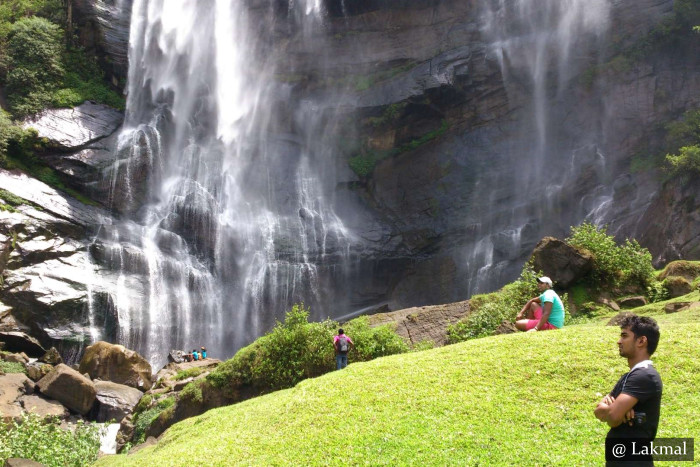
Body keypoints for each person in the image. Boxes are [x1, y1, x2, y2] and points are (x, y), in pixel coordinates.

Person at [594, 315, 662, 466]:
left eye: (624, 336)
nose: (619, 341)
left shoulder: (645, 376)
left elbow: (612, 417)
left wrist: (613, 410)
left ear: (641, 341)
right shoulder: (629, 376)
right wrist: (614, 409)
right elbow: (598, 411)